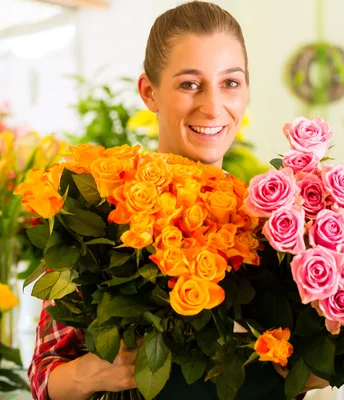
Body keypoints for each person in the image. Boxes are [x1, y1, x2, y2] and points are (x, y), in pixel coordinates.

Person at [28, 2, 327, 399]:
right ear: (149, 92)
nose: (213, 106)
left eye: (230, 83)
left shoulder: (278, 224)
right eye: (190, 84)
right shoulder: (97, 215)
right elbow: (43, 377)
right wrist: (95, 373)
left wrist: (317, 368)